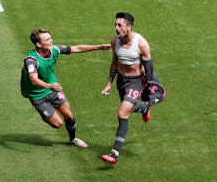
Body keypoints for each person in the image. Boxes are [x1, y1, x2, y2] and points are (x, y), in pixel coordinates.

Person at [20, 28, 110, 148]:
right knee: (58, 124)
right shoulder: (31, 60)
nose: (51, 41)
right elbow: (34, 80)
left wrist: (99, 47)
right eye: (47, 40)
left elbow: (77, 48)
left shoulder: (55, 50)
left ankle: (73, 139)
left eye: (50, 38)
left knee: (69, 115)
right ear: (38, 44)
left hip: (53, 87)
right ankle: (45, 113)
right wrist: (49, 86)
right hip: (37, 94)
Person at [101, 12, 162, 164]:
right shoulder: (115, 41)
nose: (116, 28)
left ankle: (114, 153)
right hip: (121, 81)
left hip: (136, 82)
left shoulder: (141, 43)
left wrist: (151, 85)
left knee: (122, 112)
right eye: (115, 24)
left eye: (119, 25)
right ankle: (144, 108)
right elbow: (114, 63)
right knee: (128, 109)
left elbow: (149, 66)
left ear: (129, 27)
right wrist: (109, 83)